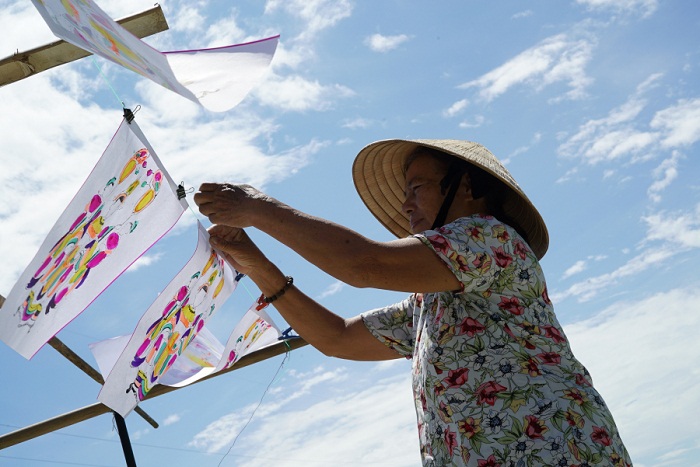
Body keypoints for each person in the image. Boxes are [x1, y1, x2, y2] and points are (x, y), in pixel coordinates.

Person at [194, 139, 632, 466]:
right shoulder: (431, 303)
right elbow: (338, 338)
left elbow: (363, 265)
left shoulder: (491, 238)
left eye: (417, 187)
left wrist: (259, 209)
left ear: (468, 189)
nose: (405, 204)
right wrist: (255, 263)